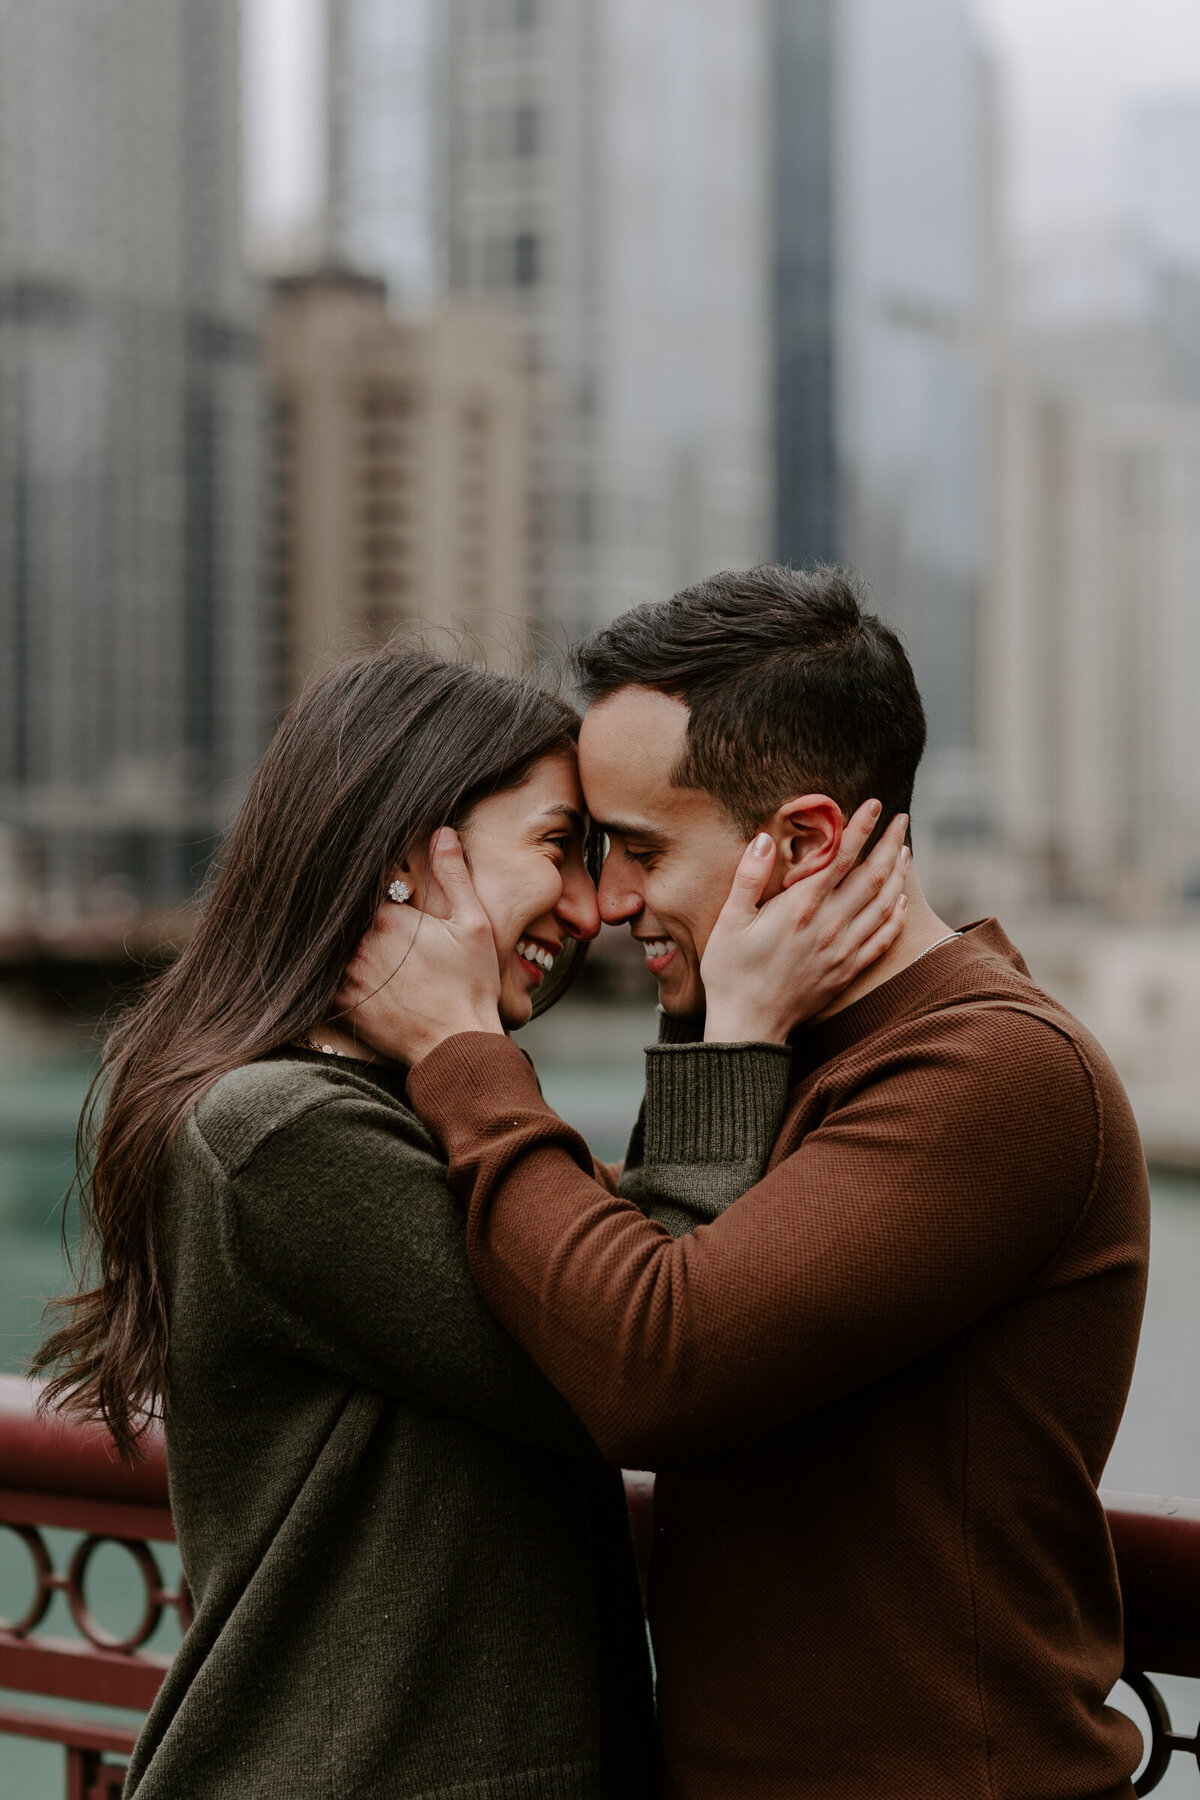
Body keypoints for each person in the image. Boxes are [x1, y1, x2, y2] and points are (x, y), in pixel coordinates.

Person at [33, 642, 907, 1800]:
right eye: (560, 848)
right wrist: (733, 1032)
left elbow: (622, 1269)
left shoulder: (414, 1115)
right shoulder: (280, 1133)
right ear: (406, 855)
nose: (595, 907)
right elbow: (646, 1352)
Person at [340, 566, 1152, 1800]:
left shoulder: (996, 1073)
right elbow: (617, 1257)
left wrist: (463, 1055)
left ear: (808, 841)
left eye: (641, 851)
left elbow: (653, 1361)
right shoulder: (785, 1051)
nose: (608, 905)